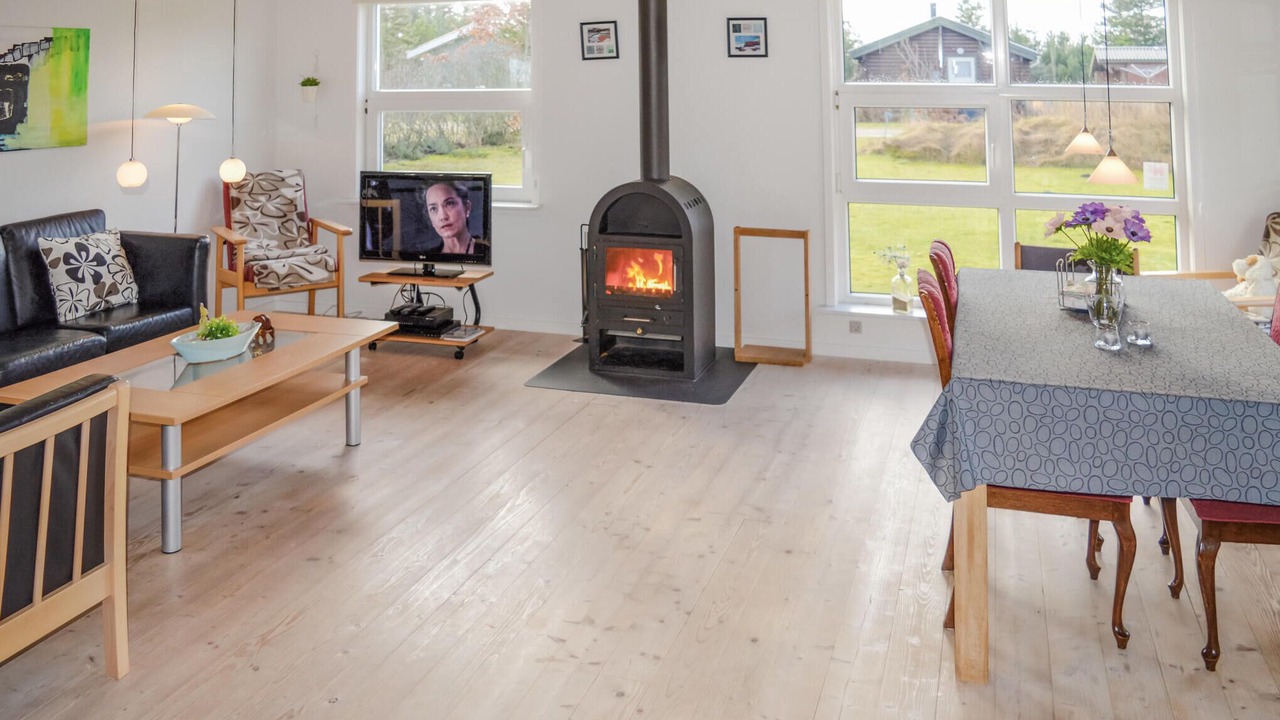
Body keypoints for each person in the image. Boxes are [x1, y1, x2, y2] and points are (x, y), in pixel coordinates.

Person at [425, 180, 477, 255]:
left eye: (449, 204)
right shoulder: (428, 257)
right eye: (433, 209)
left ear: (467, 208)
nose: (442, 217)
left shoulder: (486, 251)